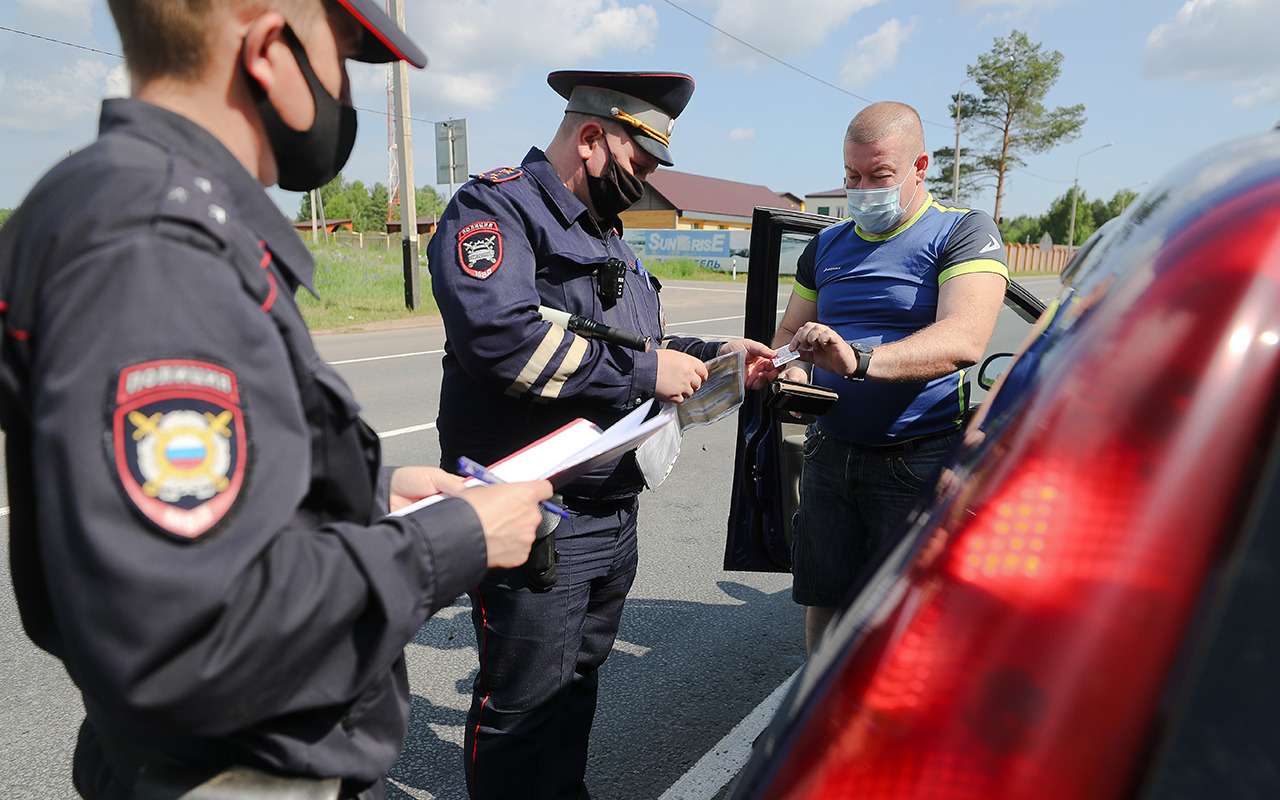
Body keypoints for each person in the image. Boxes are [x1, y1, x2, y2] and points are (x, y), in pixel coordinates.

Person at [0, 1, 552, 797]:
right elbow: (193, 627)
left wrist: (372, 491)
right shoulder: (155, 244)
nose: (344, 100)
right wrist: (456, 539)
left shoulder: (126, 202)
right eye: (345, 61)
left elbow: (193, 503)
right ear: (268, 50)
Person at [427, 70, 776, 799]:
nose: (647, 183)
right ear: (592, 140)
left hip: (613, 507)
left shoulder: (605, 233)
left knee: (575, 684)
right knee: (522, 704)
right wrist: (643, 373)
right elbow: (502, 339)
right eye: (641, 165)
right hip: (533, 513)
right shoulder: (496, 208)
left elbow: (633, 342)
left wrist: (716, 354)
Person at [773, 101, 1009, 653]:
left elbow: (964, 338)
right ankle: (816, 706)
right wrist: (781, 366)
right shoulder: (826, 244)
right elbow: (789, 330)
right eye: (850, 176)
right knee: (824, 601)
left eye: (878, 176)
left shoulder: (963, 231)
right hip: (830, 451)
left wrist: (855, 360)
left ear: (919, 165)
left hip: (918, 459)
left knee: (908, 619)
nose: (862, 189)